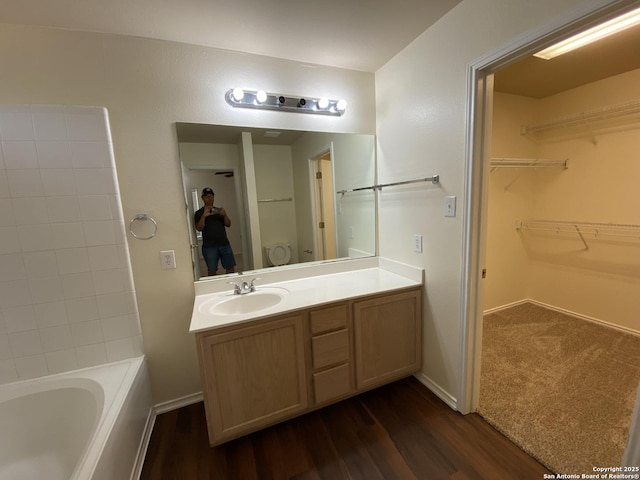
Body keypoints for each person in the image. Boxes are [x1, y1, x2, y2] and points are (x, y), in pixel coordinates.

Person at [194, 187, 236, 275]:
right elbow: (199, 228)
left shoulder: (219, 211)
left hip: (224, 244)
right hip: (209, 246)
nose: (209, 198)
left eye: (211, 196)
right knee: (212, 270)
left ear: (214, 197)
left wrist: (225, 215)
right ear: (202, 198)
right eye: (207, 196)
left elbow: (228, 224)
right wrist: (203, 216)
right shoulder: (199, 213)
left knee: (230, 267)